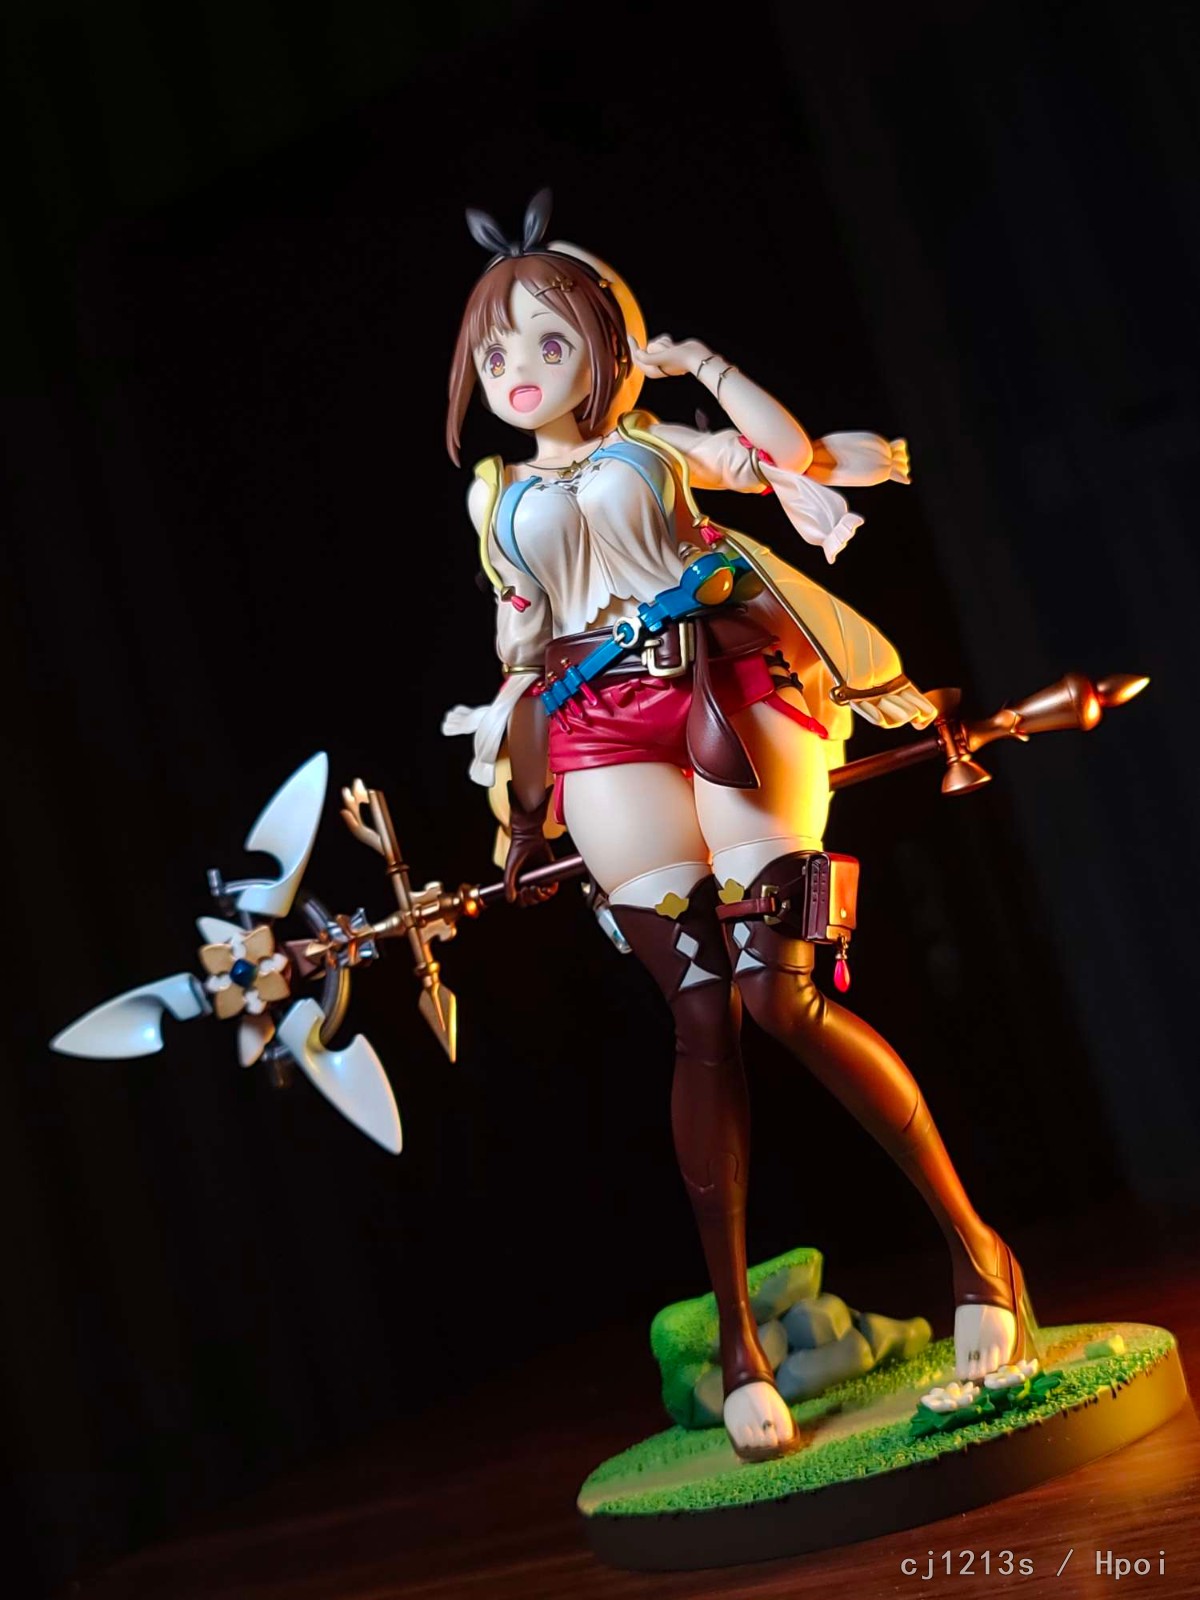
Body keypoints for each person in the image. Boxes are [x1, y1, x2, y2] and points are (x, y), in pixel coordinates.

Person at [443, 190, 1039, 1463]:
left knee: (781, 994)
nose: (518, 368)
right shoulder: (497, 498)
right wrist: (519, 804)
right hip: (595, 726)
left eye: (550, 339)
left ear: (605, 345)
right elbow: (518, 658)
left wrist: (702, 364)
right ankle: (737, 1346)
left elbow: (796, 458)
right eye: (496, 349)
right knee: (702, 1013)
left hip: (727, 683)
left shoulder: (654, 444)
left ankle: (979, 1254)